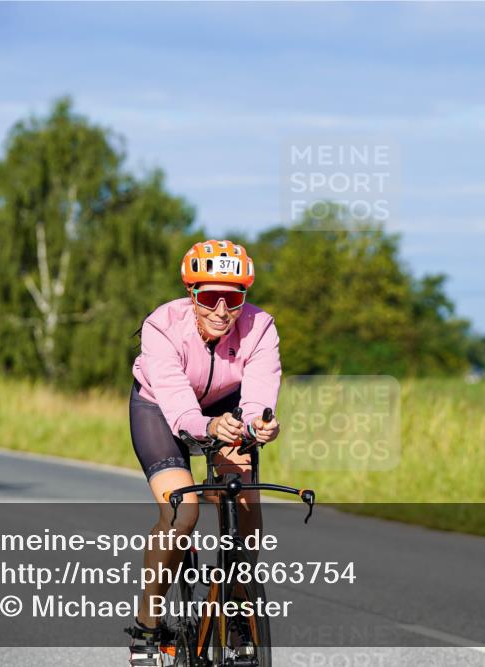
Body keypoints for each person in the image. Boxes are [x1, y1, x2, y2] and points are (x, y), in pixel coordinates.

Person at [125, 239, 281, 665]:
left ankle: (235, 610)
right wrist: (206, 427)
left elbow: (260, 392)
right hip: (160, 407)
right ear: (192, 294)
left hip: (225, 409)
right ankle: (147, 626)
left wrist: (256, 425)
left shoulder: (260, 326)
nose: (221, 310)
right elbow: (176, 401)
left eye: (233, 299)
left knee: (245, 505)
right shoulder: (162, 325)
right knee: (184, 511)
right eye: (210, 297)